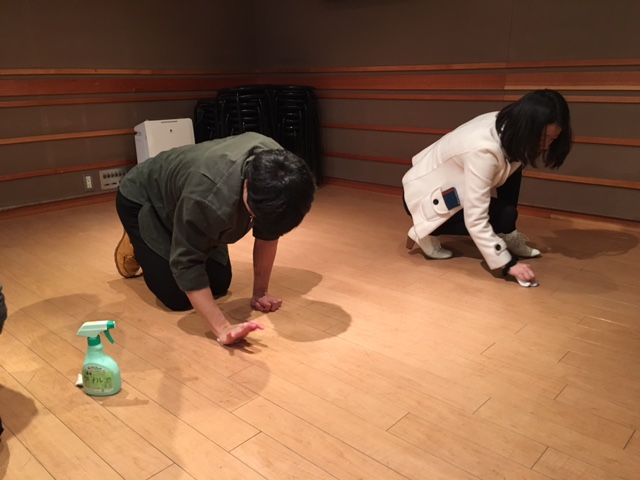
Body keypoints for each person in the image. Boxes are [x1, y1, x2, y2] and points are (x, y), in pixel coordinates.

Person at [114, 132, 316, 345]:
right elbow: (187, 264)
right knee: (176, 297)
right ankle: (137, 241)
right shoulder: (209, 199)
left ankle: (183, 233)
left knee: (218, 284)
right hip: (146, 198)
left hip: (190, 201)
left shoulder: (281, 170)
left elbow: (269, 232)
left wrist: (260, 292)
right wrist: (222, 327)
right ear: (246, 186)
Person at [402, 89, 572, 286]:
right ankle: (426, 231)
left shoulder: (510, 126)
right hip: (423, 197)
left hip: (445, 187)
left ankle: (507, 234)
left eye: (553, 139)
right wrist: (507, 263)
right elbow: (475, 218)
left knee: (512, 181)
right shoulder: (483, 150)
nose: (546, 145)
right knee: (506, 215)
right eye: (543, 137)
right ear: (528, 125)